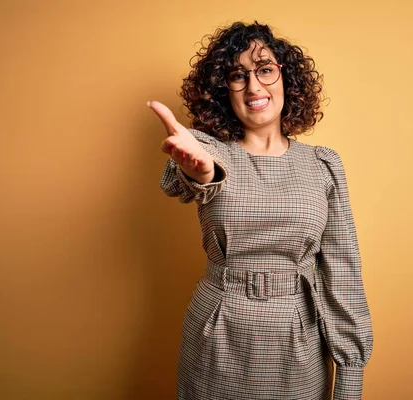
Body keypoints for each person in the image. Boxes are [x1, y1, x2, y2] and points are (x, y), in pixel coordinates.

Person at [148, 21, 373, 400]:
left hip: (299, 339)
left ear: (287, 78)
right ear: (224, 91)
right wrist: (200, 171)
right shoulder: (208, 148)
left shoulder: (323, 164)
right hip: (217, 337)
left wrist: (350, 377)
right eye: (238, 76)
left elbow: (343, 272)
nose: (253, 86)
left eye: (265, 69)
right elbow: (183, 178)